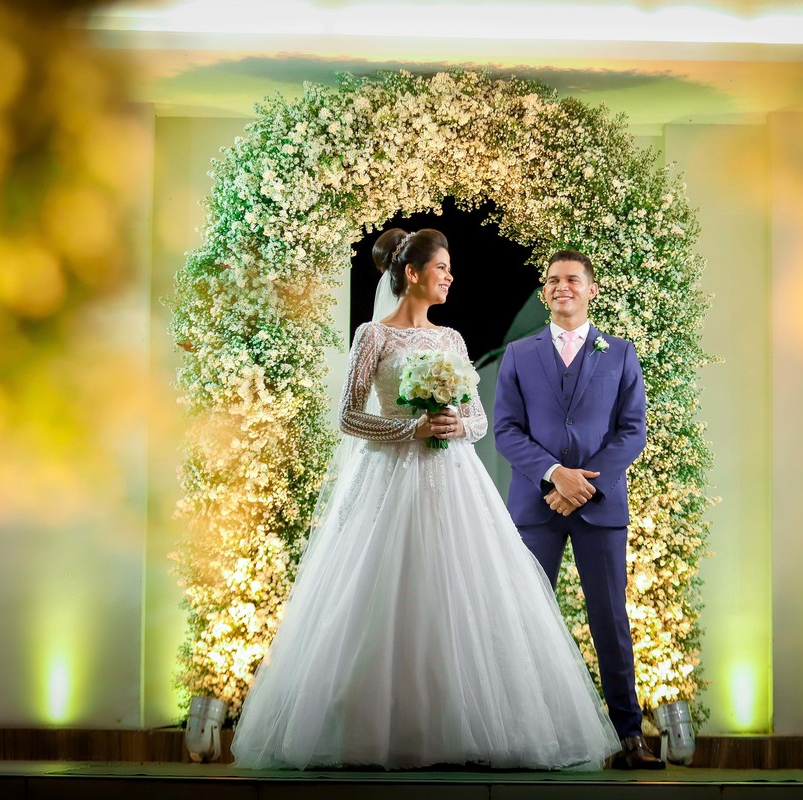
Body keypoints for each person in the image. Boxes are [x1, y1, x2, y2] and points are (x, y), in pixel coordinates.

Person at [230, 229, 619, 770]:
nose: (450, 277)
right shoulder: (373, 336)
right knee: (384, 588)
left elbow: (479, 421)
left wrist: (457, 425)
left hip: (453, 480)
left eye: (450, 268)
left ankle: (466, 726)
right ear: (411, 274)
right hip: (388, 480)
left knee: (460, 588)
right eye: (442, 267)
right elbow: (348, 417)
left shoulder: (452, 340)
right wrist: (408, 429)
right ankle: (375, 728)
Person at [493, 249, 663, 770]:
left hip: (600, 506)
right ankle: (523, 735)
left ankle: (628, 737)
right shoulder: (518, 354)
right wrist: (554, 474)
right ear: (544, 292)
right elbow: (506, 430)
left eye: (571, 279)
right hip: (536, 505)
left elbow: (632, 430)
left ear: (591, 289)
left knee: (610, 619)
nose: (560, 286)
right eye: (552, 280)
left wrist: (583, 485)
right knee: (526, 618)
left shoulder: (621, 353)